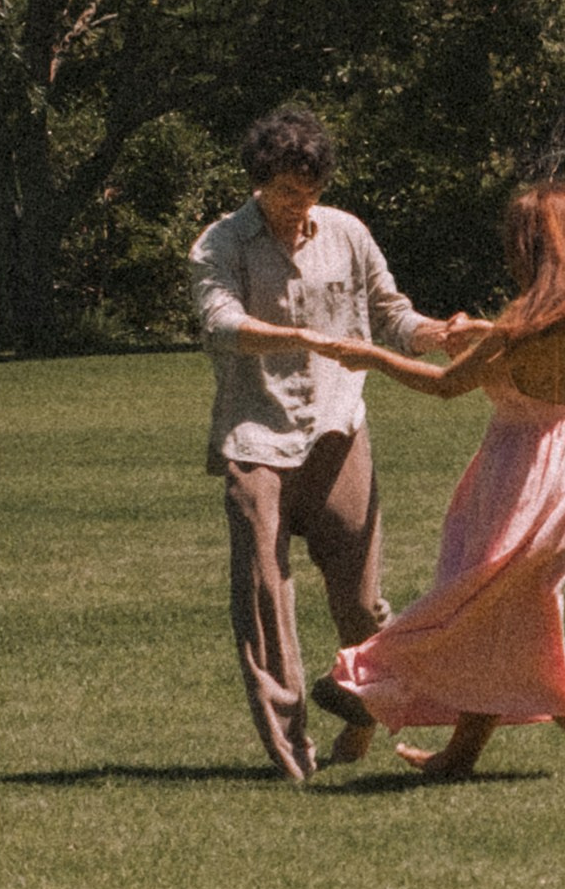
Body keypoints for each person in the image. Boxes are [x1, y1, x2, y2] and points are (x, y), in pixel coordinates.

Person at [284, 181, 565, 781]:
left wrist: (370, 356)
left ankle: (372, 678)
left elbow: (446, 384)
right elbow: (536, 353)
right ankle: (461, 755)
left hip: (519, 479)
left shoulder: (518, 331)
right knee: (501, 611)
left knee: (475, 603)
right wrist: (481, 332)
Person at [188, 106, 465, 783]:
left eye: (310, 192)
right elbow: (220, 323)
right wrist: (303, 337)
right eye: (287, 192)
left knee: (362, 602)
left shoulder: (347, 232)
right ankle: (292, 757)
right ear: (259, 181)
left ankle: (364, 706)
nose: (300, 205)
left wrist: (439, 333)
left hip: (339, 428)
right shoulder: (220, 244)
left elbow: (391, 314)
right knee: (265, 598)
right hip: (255, 436)